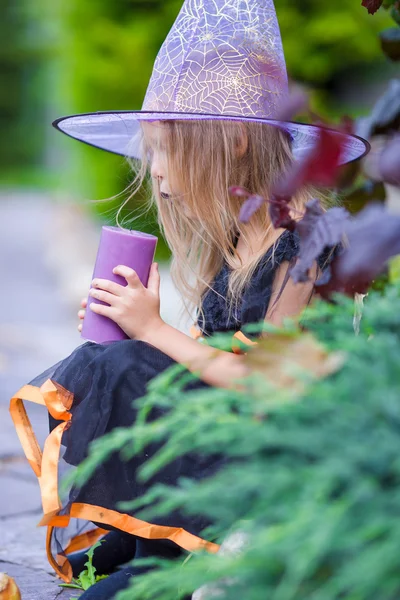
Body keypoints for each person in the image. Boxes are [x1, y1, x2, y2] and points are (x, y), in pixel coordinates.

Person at [10, 0, 369, 598]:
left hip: (269, 451)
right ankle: (151, 542)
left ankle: (172, 558)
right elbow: (209, 354)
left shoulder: (303, 240)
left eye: (167, 149)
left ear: (230, 143)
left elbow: (269, 385)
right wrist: (133, 325)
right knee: (113, 361)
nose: (153, 170)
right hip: (218, 432)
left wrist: (154, 332)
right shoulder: (240, 237)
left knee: (132, 361)